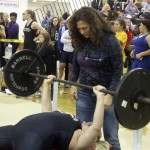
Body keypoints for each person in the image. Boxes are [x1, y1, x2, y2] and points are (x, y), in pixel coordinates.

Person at [0, 75, 109, 150]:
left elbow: (96, 127)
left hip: (33, 138)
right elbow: (46, 112)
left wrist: (100, 98)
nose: (87, 122)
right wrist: (47, 85)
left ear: (92, 141)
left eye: (89, 125)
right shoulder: (75, 124)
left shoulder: (80, 142)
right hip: (15, 129)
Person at [68, 7, 123, 150]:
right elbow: (75, 65)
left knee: (111, 136)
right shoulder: (80, 41)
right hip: (85, 91)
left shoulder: (111, 41)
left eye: (85, 28)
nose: (82, 32)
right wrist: (74, 84)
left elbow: (118, 71)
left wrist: (110, 94)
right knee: (83, 134)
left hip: (107, 92)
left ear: (94, 24)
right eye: (79, 29)